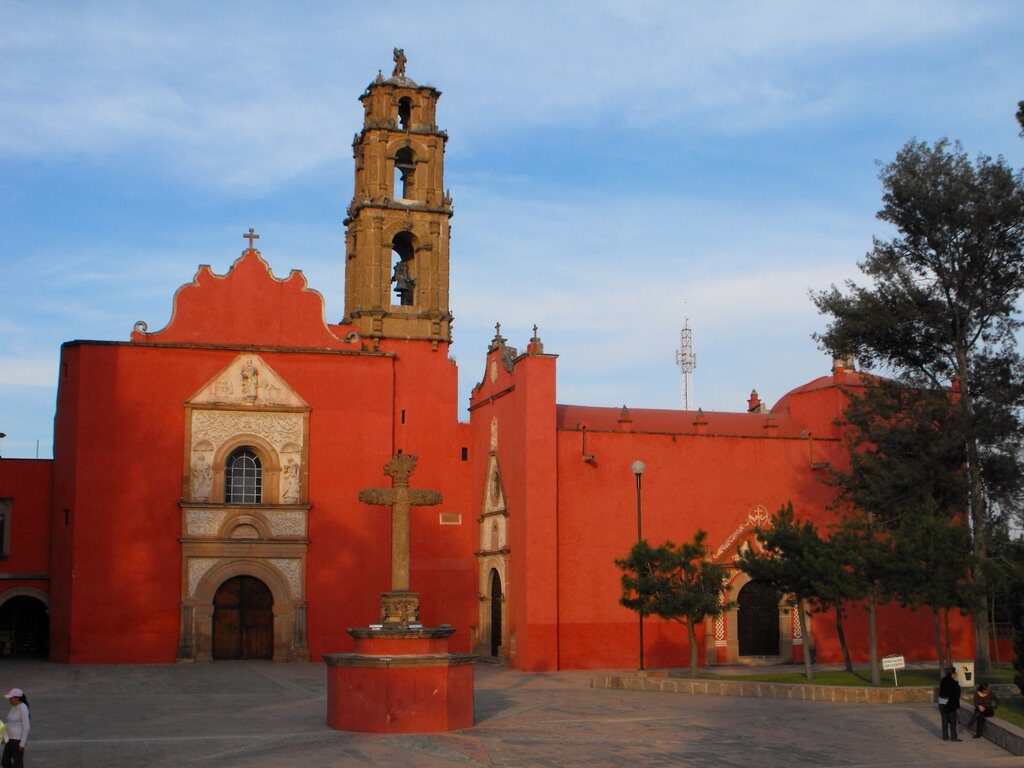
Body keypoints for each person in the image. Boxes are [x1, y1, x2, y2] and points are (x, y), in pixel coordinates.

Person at [2, 688, 29, 768]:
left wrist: (22, 743)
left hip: (18, 740)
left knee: (18, 764)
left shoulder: (23, 708)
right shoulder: (13, 707)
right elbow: (10, 723)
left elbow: (26, 726)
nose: (9, 700)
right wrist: (3, 734)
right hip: (9, 739)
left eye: (11, 698)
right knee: (5, 762)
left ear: (17, 698)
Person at [937, 667, 962, 742]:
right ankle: (953, 737)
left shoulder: (943, 680)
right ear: (953, 673)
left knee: (944, 719)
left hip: (941, 701)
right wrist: (956, 681)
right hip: (950, 702)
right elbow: (956, 692)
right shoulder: (953, 681)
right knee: (952, 720)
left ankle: (945, 737)